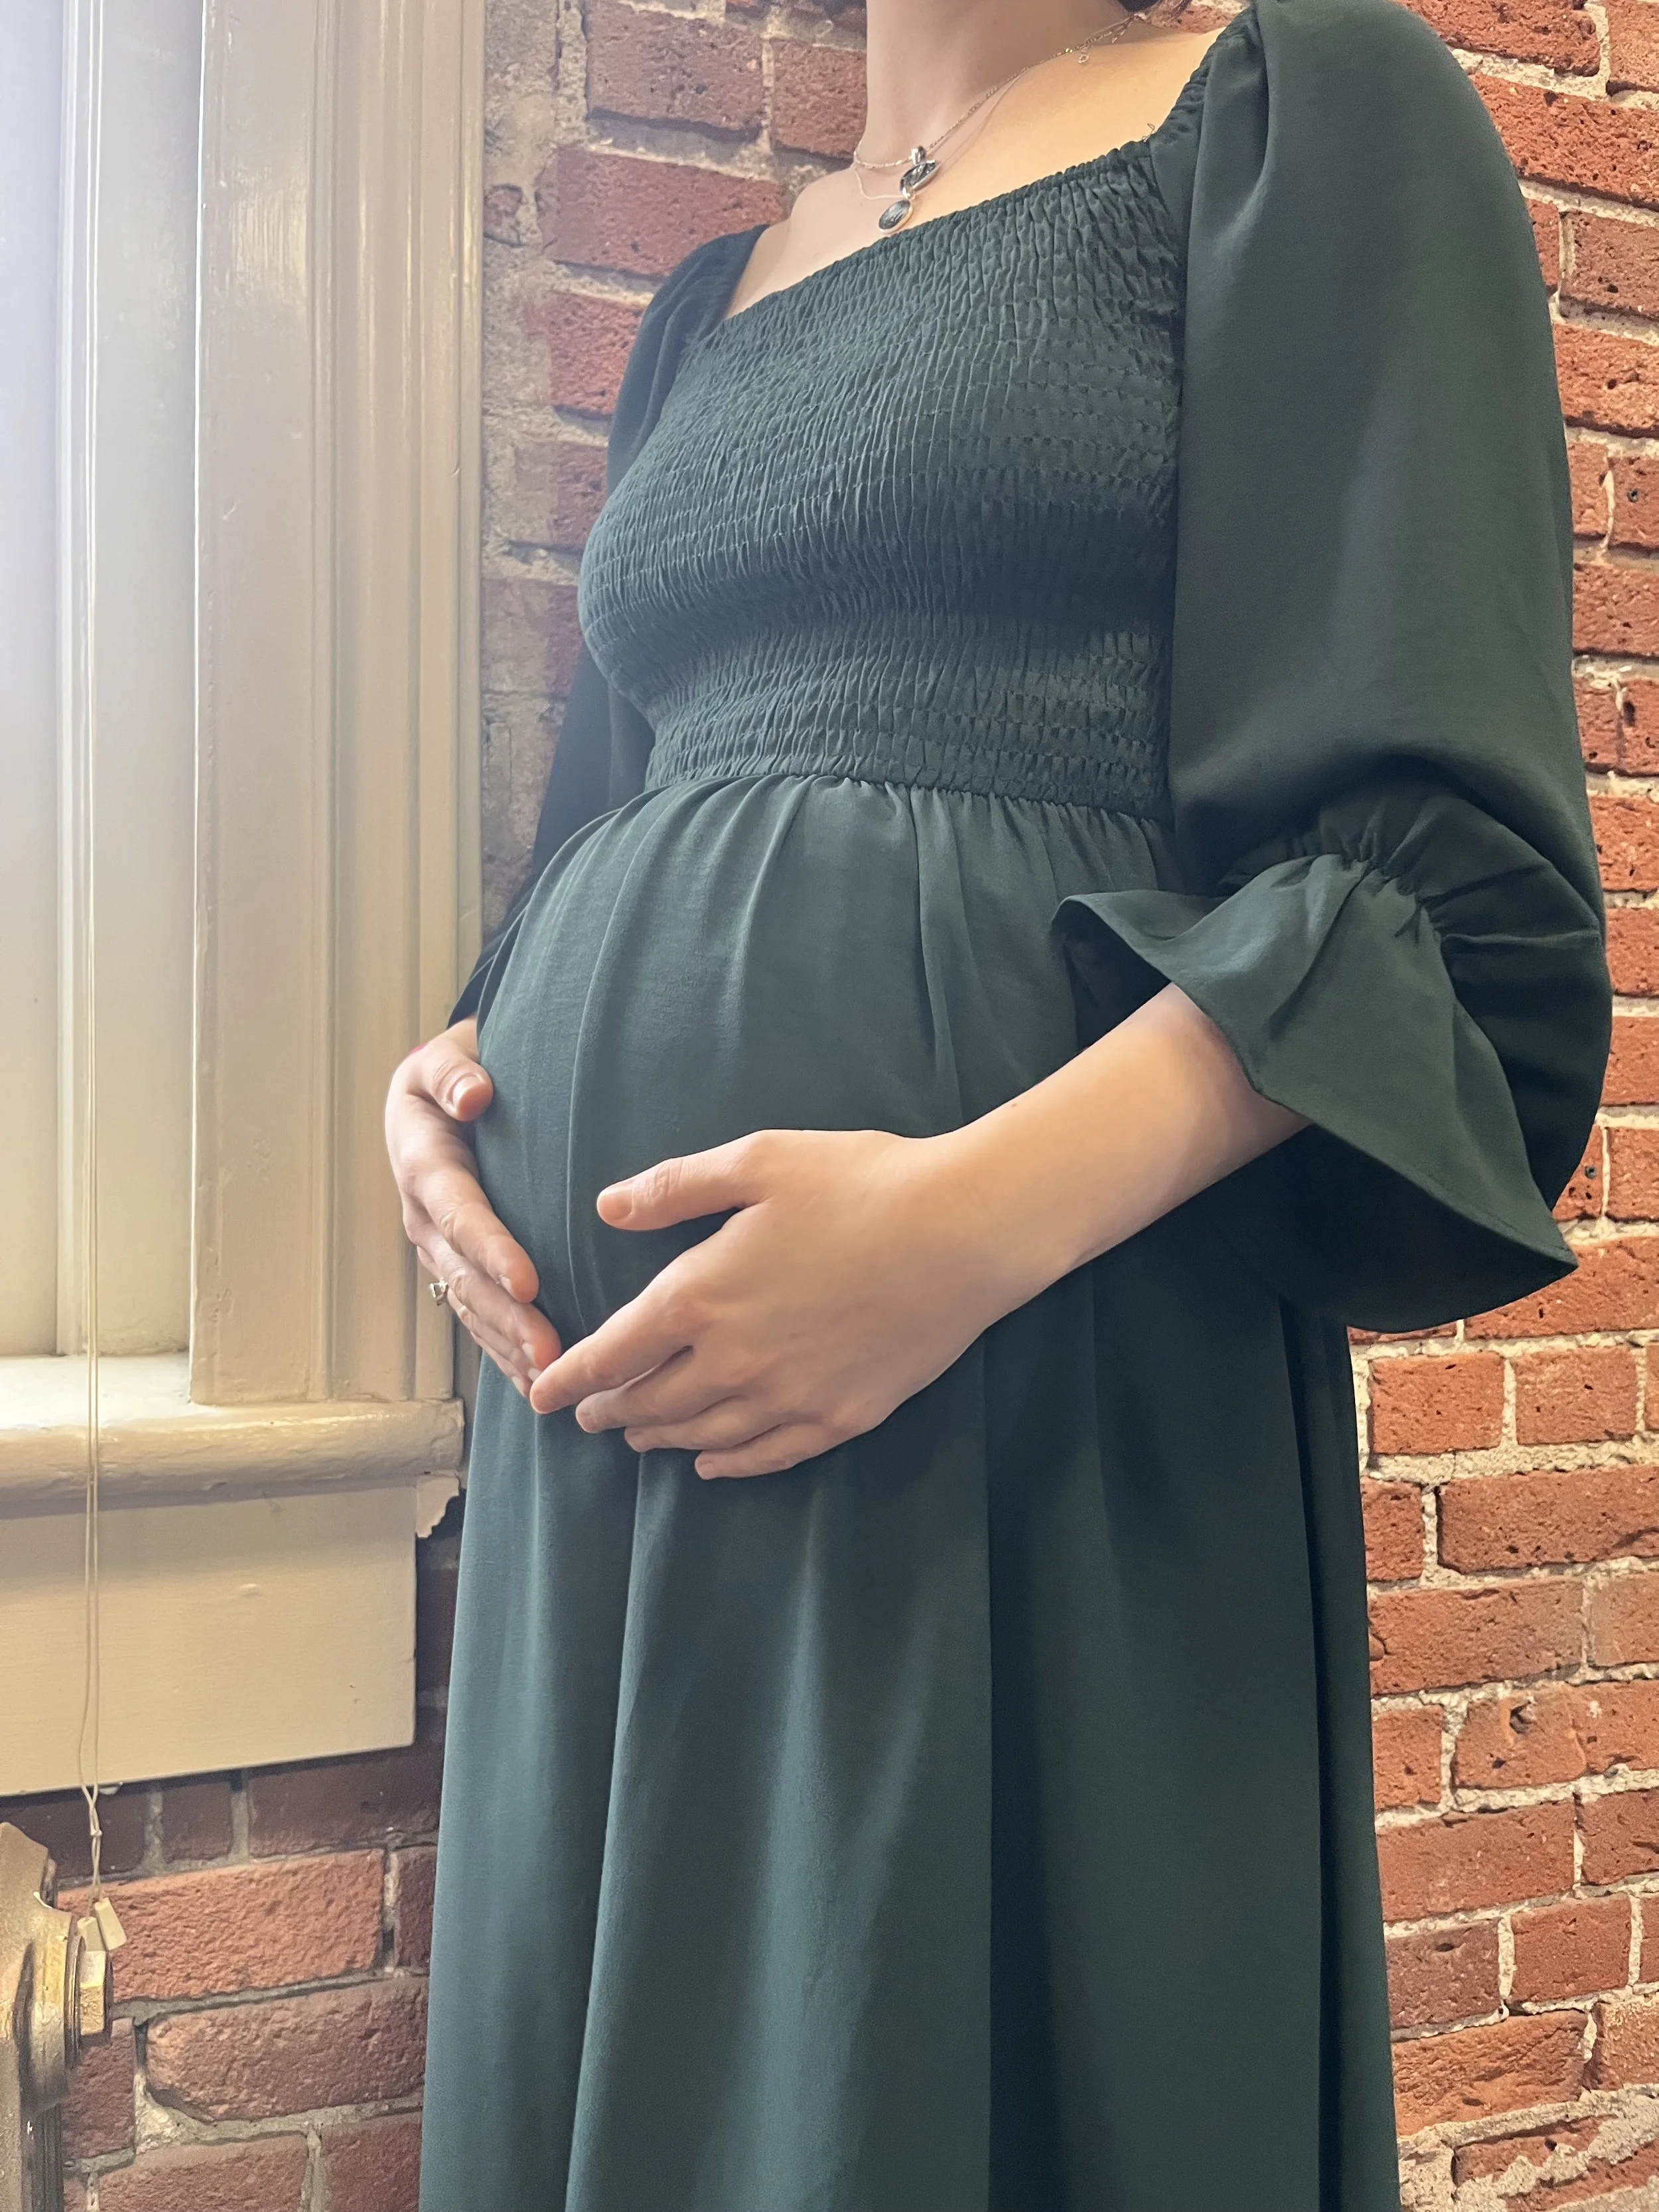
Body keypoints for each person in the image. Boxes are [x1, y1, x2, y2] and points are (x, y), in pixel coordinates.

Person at [388, 0, 1612, 2203]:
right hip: (616, 1440)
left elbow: (1441, 892)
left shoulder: (1296, 110)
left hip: (1023, 1365)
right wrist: (455, 1078)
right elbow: (615, 816)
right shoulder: (706, 302)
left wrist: (955, 1234)